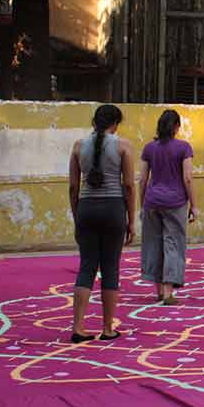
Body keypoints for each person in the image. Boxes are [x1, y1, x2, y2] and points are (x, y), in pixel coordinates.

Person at [68, 104, 136, 343]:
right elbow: (128, 185)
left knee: (86, 267)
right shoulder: (123, 146)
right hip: (113, 209)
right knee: (111, 268)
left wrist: (77, 216)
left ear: (93, 122)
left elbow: (74, 187)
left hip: (86, 208)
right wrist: (131, 220)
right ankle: (107, 328)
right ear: (115, 124)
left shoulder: (78, 146)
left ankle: (78, 327)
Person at [139, 109, 196, 306]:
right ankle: (168, 293)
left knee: (154, 245)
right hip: (176, 202)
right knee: (173, 245)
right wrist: (194, 205)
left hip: (152, 201)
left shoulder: (149, 148)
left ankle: (158, 291)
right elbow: (187, 178)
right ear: (177, 127)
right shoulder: (183, 148)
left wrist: (141, 203)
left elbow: (143, 179)